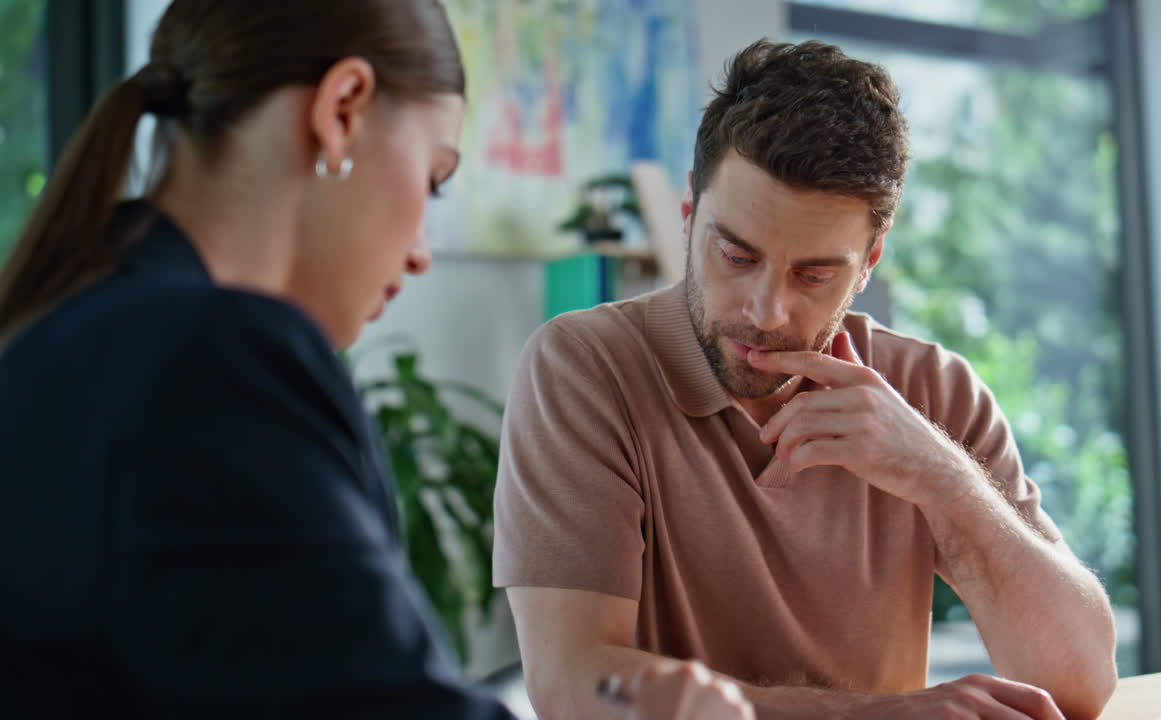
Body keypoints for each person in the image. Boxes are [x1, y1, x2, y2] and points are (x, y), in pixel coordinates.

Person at [0, 2, 753, 718]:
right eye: (432, 179)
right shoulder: (212, 356)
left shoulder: (65, 328)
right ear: (341, 112)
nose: (422, 252)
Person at [495, 39, 1119, 720]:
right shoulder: (585, 369)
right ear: (688, 218)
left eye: (815, 275)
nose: (767, 310)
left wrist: (943, 478)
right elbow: (574, 683)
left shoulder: (935, 391)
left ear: (869, 263)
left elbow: (1081, 681)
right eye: (735, 255)